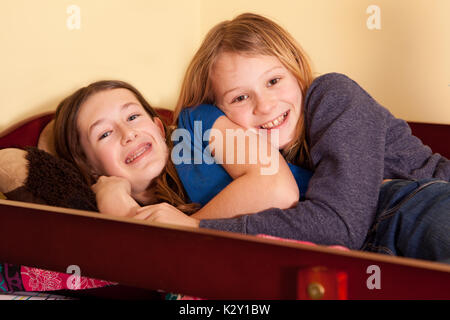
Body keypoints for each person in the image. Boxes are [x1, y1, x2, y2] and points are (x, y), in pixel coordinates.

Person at [170, 13, 450, 263]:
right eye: (240, 97)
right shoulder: (255, 161)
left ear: (296, 72)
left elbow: (338, 228)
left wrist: (196, 228)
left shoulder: (333, 95)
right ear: (220, 114)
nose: (265, 106)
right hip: (384, 247)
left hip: (422, 202)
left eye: (273, 81)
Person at [53, 79, 303, 227]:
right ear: (90, 166)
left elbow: (277, 188)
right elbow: (146, 258)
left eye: (133, 116)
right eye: (104, 134)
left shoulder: (196, 125)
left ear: (159, 127)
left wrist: (190, 227)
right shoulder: (120, 204)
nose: (128, 133)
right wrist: (112, 199)